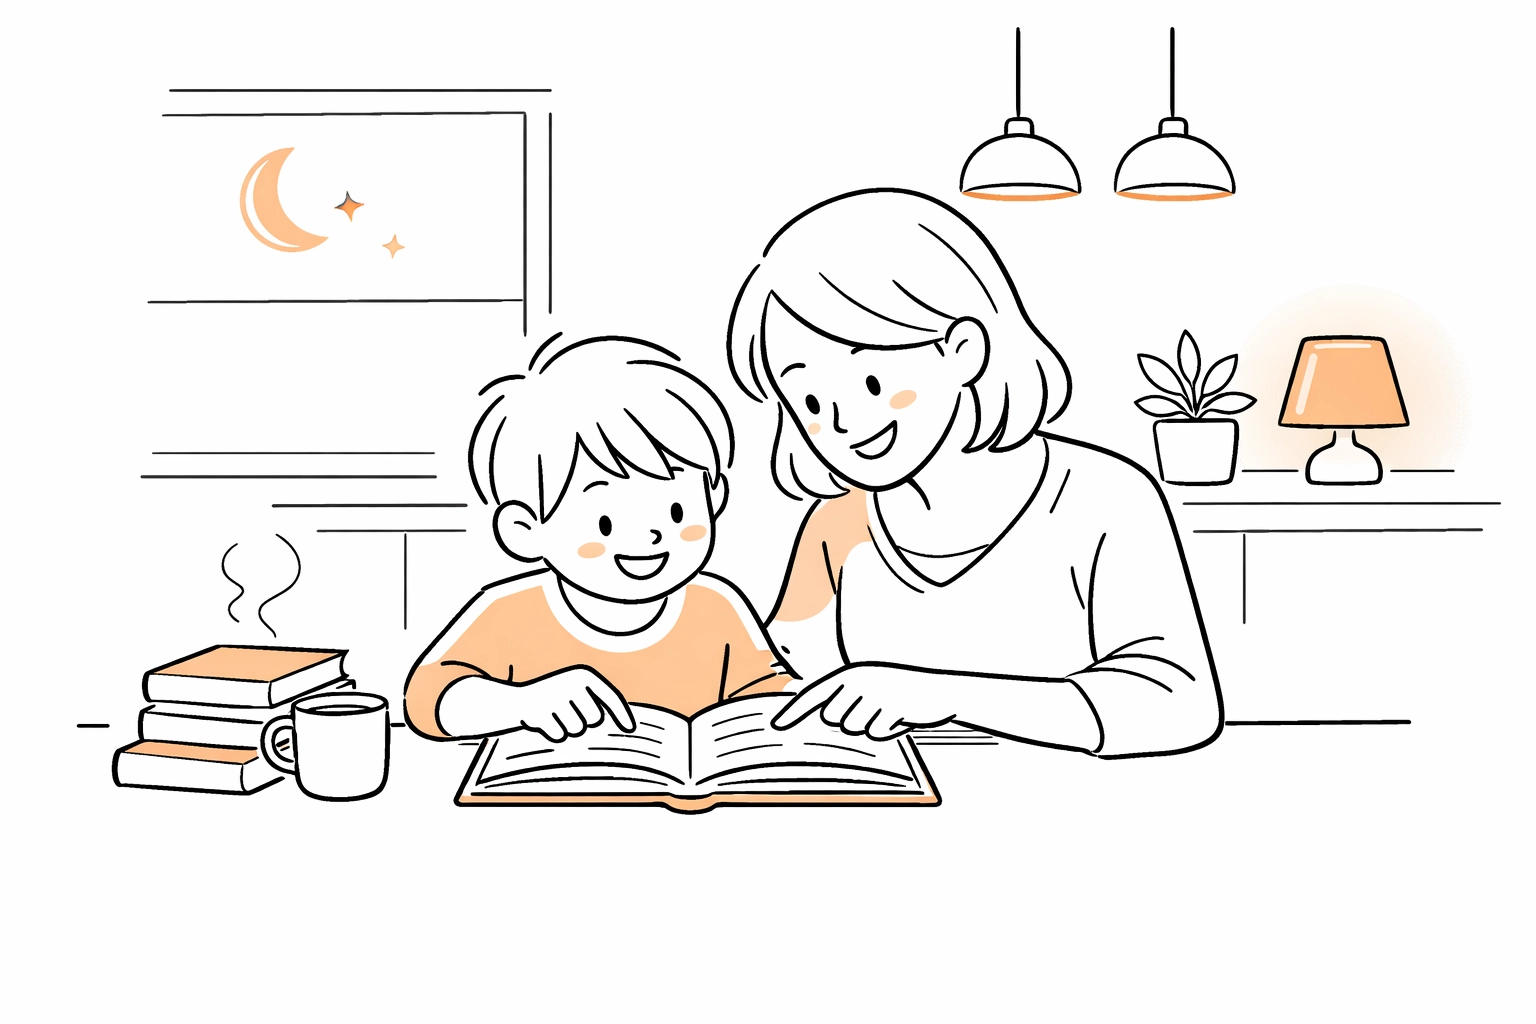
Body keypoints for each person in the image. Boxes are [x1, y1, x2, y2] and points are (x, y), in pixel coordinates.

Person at [726, 188, 1222, 758]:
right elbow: (782, 687)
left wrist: (949, 697)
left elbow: (1180, 703)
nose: (840, 421)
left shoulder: (1105, 498)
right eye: (809, 401)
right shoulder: (836, 527)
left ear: (962, 349)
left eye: (870, 383)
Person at [404, 335, 790, 743]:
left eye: (677, 512)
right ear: (524, 532)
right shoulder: (508, 612)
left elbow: (772, 697)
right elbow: (427, 699)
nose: (651, 536)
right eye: (605, 523)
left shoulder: (717, 607)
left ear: (714, 500)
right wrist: (518, 704)